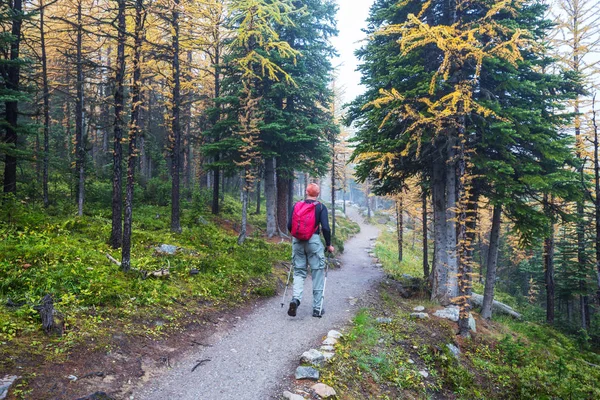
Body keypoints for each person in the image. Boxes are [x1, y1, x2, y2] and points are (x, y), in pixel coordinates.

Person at [287, 183, 334, 318]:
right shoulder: (320, 207)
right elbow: (325, 228)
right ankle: (317, 309)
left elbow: (289, 225)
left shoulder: (296, 206)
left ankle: (296, 299)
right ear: (318, 194)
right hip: (313, 241)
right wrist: (329, 245)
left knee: (299, 271)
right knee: (317, 273)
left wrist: (297, 237)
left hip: (297, 242)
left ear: (306, 192)